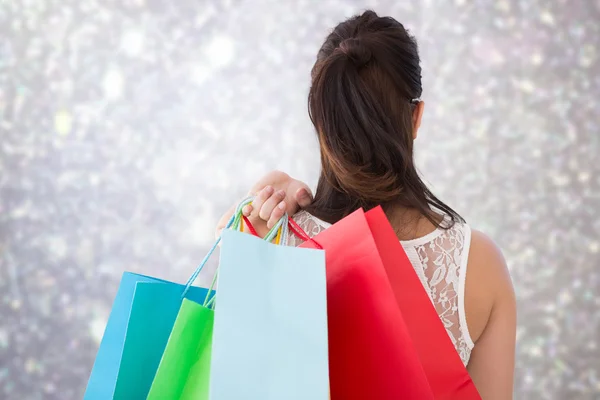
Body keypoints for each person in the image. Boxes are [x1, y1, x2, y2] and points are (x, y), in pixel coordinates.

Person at [216, 10, 516, 399]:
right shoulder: (480, 265)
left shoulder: (269, 243)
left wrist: (243, 235)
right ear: (416, 117)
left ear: (321, 123)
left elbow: (232, 382)